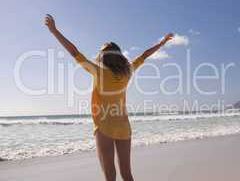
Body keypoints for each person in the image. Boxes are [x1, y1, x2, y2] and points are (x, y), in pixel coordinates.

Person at [44, 14, 173, 181]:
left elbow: (74, 51)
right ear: (119, 56)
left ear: (102, 56)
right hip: (123, 127)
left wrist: (54, 31)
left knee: (110, 175)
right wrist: (162, 43)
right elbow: (144, 55)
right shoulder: (128, 70)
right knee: (127, 174)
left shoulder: (97, 71)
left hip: (104, 126)